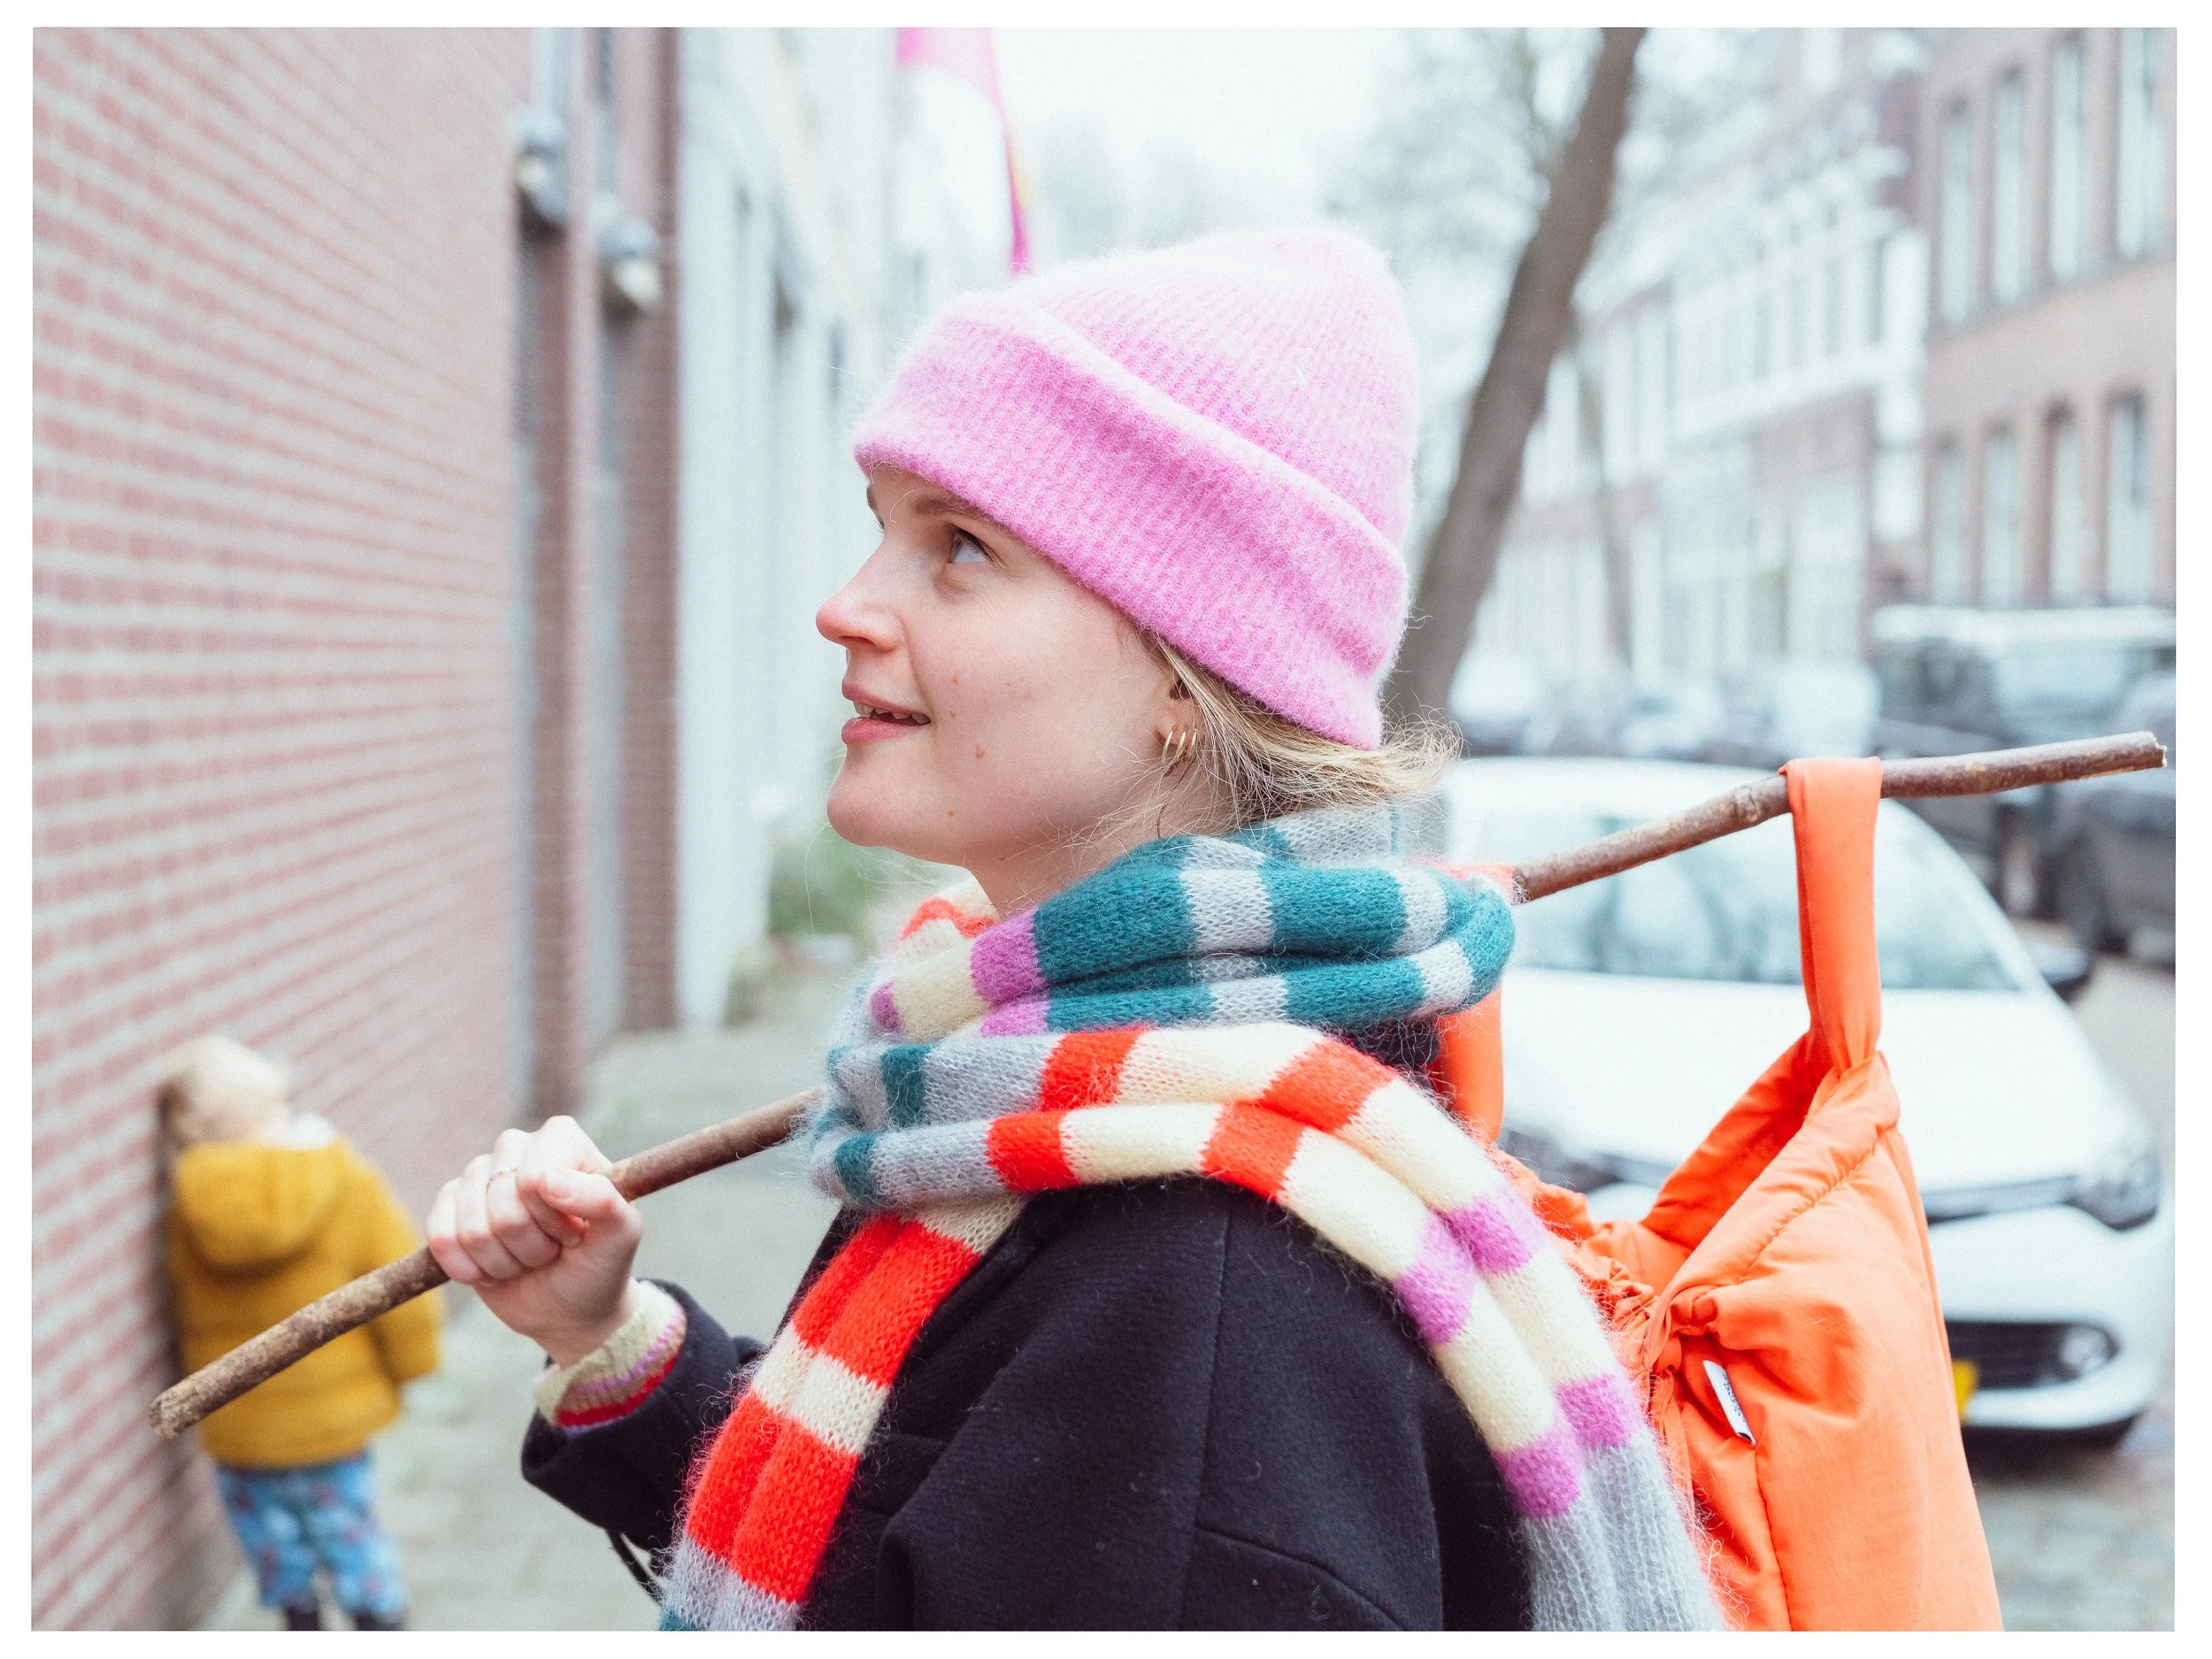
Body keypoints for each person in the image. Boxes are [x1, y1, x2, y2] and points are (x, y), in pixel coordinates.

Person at [427, 229, 1722, 1631]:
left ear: (1185, 670)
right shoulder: (1051, 1102)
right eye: (882, 523)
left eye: (959, 547)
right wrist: (610, 1343)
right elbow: (915, 1510)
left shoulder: (1203, 1308)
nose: (848, 604)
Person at [160, 1034, 439, 1631]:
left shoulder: (188, 1199)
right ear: (270, 1107)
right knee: (350, 1530)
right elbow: (397, 1277)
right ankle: (378, 1622)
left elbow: (185, 1305)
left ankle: (301, 1621)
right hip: (331, 1423)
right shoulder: (337, 1174)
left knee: (273, 1542)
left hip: (241, 1427)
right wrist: (416, 1360)